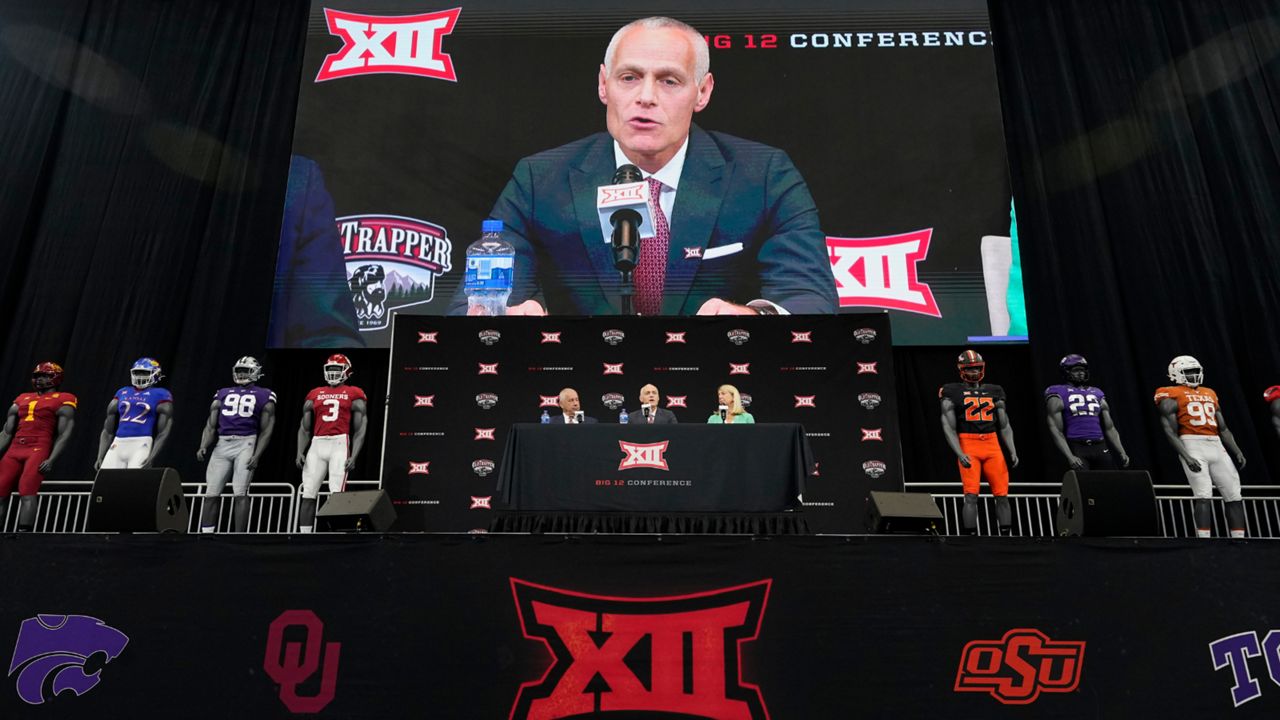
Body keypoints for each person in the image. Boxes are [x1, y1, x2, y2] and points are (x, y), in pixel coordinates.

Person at [448, 16, 837, 317]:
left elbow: (809, 297)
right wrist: (501, 315)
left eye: (669, 81)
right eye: (630, 78)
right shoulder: (541, 179)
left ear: (702, 92)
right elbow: (474, 303)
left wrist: (752, 315)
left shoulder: (763, 175)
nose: (646, 97)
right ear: (604, 85)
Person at [1155, 356, 1246, 538]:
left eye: (1196, 371)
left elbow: (1224, 428)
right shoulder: (1170, 393)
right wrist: (1186, 456)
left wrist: (1236, 450)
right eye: (1189, 372)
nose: (1194, 375)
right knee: (1203, 494)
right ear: (1176, 374)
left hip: (1216, 444)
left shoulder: (1210, 392)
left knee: (1234, 495)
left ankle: (1240, 540)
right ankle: (1204, 540)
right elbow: (1170, 431)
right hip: (1191, 442)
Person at [939, 350, 1019, 535]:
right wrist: (959, 452)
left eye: (977, 368)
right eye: (970, 368)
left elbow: (1004, 424)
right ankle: (970, 536)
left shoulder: (995, 390)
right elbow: (948, 426)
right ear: (961, 369)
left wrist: (1012, 449)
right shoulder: (952, 391)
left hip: (992, 443)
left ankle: (1006, 535)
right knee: (971, 494)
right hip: (968, 443)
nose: (974, 372)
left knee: (1002, 495)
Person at [196, 357, 277, 533]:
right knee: (211, 492)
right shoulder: (222, 393)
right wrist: (204, 445)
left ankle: (239, 535)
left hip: (246, 441)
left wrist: (257, 454)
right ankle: (206, 534)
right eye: (239, 370)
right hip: (222, 443)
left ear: (255, 372)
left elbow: (266, 430)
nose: (241, 374)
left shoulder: (264, 394)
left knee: (240, 491)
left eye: (245, 371)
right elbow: (211, 424)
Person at [0, 362, 76, 531]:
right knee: (0, 491)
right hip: (14, 448)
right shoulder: (21, 398)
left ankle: (24, 534)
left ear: (55, 377)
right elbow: (6, 432)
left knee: (27, 491)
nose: (40, 379)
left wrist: (52, 459)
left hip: (38, 447)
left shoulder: (64, 398)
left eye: (45, 376)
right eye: (37, 376)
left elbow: (65, 433)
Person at [296, 354, 368, 532]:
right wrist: (299, 451)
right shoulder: (314, 393)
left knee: (337, 494)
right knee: (308, 493)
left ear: (346, 371)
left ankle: (336, 533)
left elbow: (360, 428)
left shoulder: (354, 393)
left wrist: (355, 454)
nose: (333, 373)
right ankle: (304, 535)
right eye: (330, 369)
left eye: (337, 369)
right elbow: (304, 428)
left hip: (339, 443)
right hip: (317, 443)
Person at [1044, 354, 1129, 471]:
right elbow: (1055, 429)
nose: (1081, 373)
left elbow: (1110, 428)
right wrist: (1069, 456)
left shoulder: (1097, 393)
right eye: (1076, 370)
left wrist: (1121, 451)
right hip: (1077, 446)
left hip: (1100, 445)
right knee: (1083, 486)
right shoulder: (1058, 392)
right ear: (1066, 372)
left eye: (1082, 370)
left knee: (1108, 484)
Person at [94, 358, 174, 471]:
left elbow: (164, 432)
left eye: (144, 373)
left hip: (141, 443)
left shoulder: (160, 394)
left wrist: (152, 457)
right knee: (106, 483)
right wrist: (100, 455)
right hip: (118, 443)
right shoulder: (122, 392)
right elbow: (107, 430)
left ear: (156, 374)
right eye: (137, 372)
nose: (140, 376)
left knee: (134, 483)